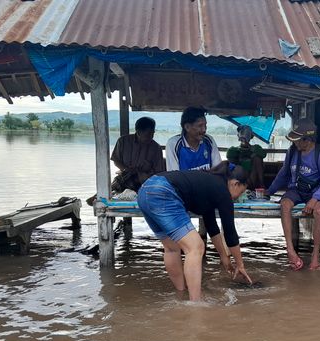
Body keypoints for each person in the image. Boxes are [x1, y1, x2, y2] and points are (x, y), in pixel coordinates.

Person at [137, 164, 253, 301]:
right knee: (195, 247)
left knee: (172, 248)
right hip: (164, 191)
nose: (237, 197)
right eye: (240, 192)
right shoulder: (223, 192)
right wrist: (240, 264)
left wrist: (224, 257)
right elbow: (230, 232)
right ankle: (196, 304)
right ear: (235, 184)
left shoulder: (210, 184)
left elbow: (212, 227)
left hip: (145, 190)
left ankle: (181, 294)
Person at [265, 118, 320, 271]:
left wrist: (314, 200)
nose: (295, 143)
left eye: (298, 140)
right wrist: (269, 191)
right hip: (297, 190)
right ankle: (290, 250)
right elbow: (283, 174)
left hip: (317, 192)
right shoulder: (292, 151)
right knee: (285, 204)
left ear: (307, 140)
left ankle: (315, 256)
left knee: (319, 211)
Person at [86, 117, 164, 206]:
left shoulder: (156, 148)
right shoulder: (123, 141)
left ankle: (99, 196)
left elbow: (159, 172)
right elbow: (116, 160)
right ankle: (101, 196)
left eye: (152, 133)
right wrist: (126, 169)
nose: (151, 137)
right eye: (148, 134)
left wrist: (143, 174)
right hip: (125, 176)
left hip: (144, 180)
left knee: (134, 182)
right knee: (121, 179)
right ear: (138, 132)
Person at [165, 107, 222, 172]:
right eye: (200, 126)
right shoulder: (174, 144)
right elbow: (174, 176)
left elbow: (218, 169)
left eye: (205, 125)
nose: (204, 129)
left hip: (207, 181)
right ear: (187, 127)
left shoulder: (209, 141)